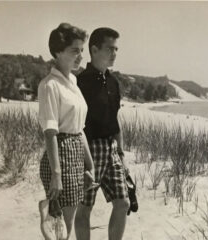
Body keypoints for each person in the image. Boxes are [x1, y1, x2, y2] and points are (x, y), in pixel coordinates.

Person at [38, 22, 95, 240]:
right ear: (58, 51)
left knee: (65, 224)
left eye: (82, 50)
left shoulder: (73, 81)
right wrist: (56, 175)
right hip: (59, 157)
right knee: (61, 228)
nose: (81, 56)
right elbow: (50, 133)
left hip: (76, 154)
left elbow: (79, 129)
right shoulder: (49, 85)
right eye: (75, 51)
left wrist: (89, 165)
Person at [75, 27, 130, 240]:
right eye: (110, 48)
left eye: (117, 49)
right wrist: (80, 160)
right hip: (88, 149)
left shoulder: (114, 82)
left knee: (123, 202)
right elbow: (74, 125)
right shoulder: (81, 83)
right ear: (94, 49)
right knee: (84, 208)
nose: (114, 53)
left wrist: (122, 154)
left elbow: (115, 119)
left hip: (111, 149)